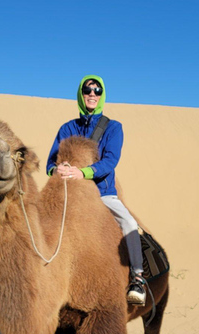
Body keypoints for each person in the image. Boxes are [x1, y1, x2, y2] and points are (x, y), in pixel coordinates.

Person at [47, 75, 147, 306]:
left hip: (103, 193)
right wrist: (57, 169)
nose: (92, 94)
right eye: (87, 90)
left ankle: (138, 279)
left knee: (129, 224)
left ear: (102, 95)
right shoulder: (67, 128)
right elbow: (50, 164)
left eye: (97, 90)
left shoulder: (113, 128)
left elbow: (110, 161)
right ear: (81, 95)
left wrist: (83, 173)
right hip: (70, 196)